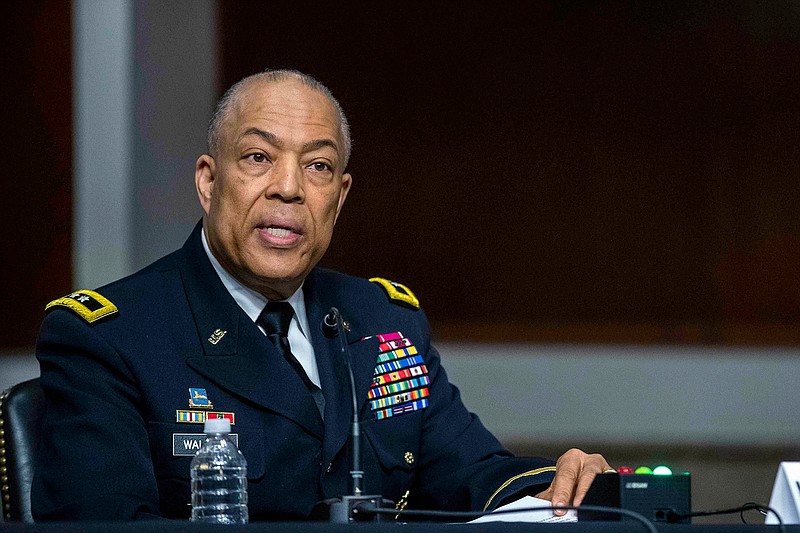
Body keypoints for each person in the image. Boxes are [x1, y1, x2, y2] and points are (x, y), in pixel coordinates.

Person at [32, 69, 610, 521]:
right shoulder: (109, 337)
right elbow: (105, 526)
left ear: (339, 195)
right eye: (259, 158)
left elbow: (472, 475)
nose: (288, 188)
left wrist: (562, 482)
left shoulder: (382, 321)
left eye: (318, 166)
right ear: (209, 182)